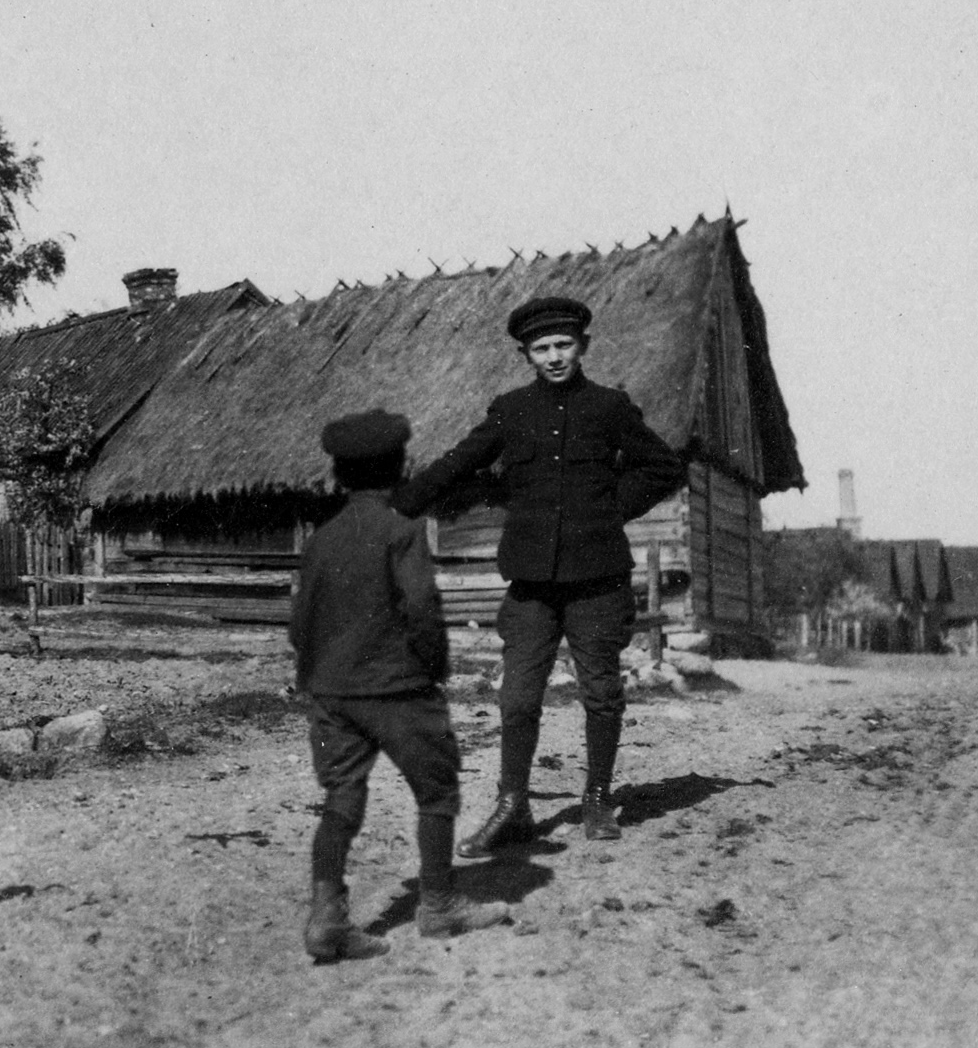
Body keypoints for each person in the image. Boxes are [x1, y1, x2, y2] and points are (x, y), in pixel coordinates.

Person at [394, 295, 687, 853]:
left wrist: (605, 510)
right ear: (526, 354)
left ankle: (598, 797)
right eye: (541, 348)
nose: (554, 357)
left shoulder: (609, 407)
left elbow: (663, 467)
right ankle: (512, 805)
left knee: (600, 692)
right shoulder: (511, 410)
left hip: (597, 580)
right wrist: (400, 506)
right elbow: (459, 461)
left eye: (563, 345)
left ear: (583, 347)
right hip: (531, 585)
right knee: (517, 699)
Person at [292, 409, 514, 964]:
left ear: (339, 475)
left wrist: (322, 680)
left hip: (332, 695)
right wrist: (434, 669)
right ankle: (438, 906)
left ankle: (327, 919)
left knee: (341, 800)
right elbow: (420, 608)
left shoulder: (320, 541)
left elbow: (300, 625)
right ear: (401, 467)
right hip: (397, 690)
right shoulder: (402, 530)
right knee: (437, 793)